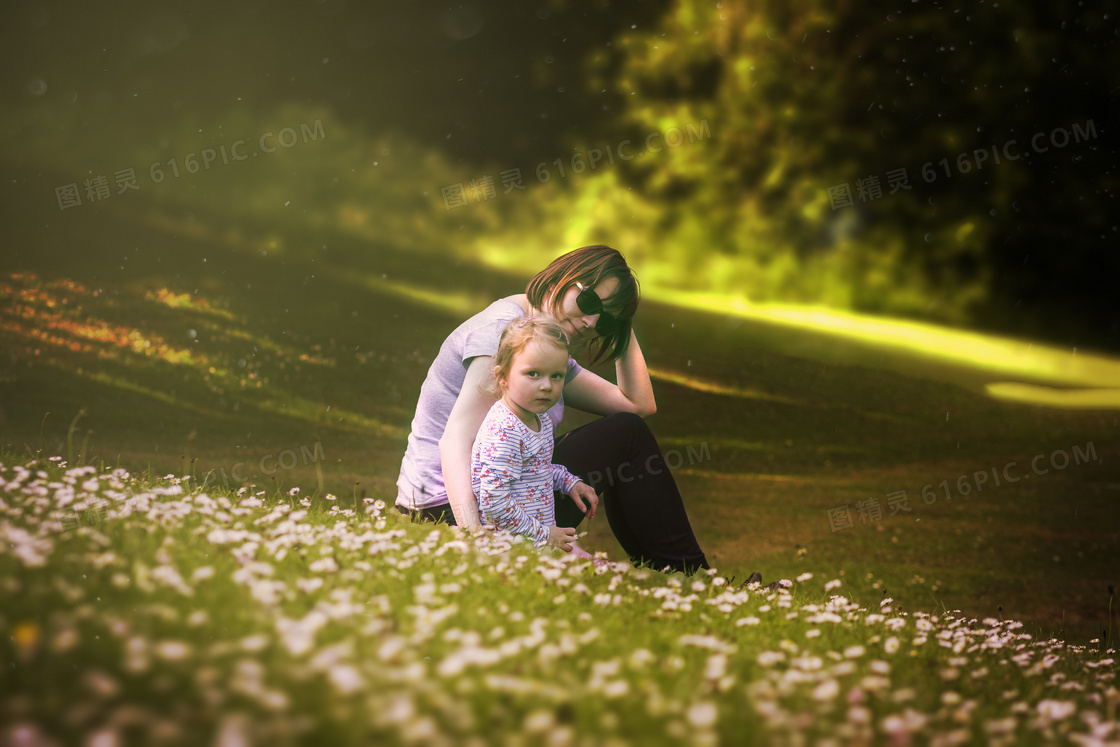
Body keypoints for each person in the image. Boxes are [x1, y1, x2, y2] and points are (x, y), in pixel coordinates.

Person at [396, 244, 710, 574]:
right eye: (590, 302)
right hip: (456, 506)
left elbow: (638, 404)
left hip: (500, 491)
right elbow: (455, 441)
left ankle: (681, 572)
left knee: (626, 430)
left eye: (603, 320)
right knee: (626, 434)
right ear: (563, 277)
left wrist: (620, 321)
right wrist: (475, 539)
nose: (591, 322)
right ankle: (690, 574)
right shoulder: (500, 334)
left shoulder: (541, 349)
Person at [470, 316, 598, 555]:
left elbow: (535, 471)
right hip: (510, 547)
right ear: (503, 377)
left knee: (598, 569)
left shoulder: (539, 420)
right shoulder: (504, 429)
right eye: (533, 374)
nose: (547, 386)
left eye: (556, 376)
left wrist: (568, 482)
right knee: (594, 573)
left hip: (536, 541)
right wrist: (545, 534)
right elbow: (494, 502)